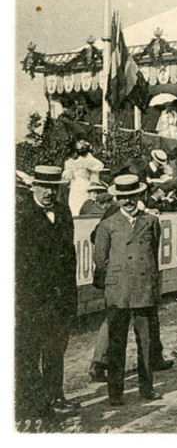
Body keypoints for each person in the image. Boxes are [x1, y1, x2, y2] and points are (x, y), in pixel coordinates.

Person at [92, 175, 164, 405]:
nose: (127, 202)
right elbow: (100, 260)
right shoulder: (108, 224)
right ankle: (115, 393)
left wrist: (151, 285)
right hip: (118, 292)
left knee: (146, 342)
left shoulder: (151, 221)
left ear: (139, 195)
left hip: (144, 290)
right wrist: (113, 281)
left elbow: (153, 254)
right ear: (117, 198)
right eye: (122, 198)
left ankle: (147, 389)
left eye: (131, 196)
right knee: (116, 344)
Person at [15, 166, 78, 420]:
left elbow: (69, 256)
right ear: (34, 187)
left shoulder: (63, 212)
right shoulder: (22, 216)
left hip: (60, 297)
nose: (50, 192)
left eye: (55, 188)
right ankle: (37, 405)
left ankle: (55, 395)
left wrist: (70, 295)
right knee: (30, 352)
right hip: (33, 300)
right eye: (45, 187)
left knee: (56, 349)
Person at [63, 138, 105, 216]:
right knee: (78, 204)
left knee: (80, 203)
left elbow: (67, 177)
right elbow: (94, 176)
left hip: (78, 186)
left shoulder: (76, 162)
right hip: (82, 185)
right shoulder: (86, 162)